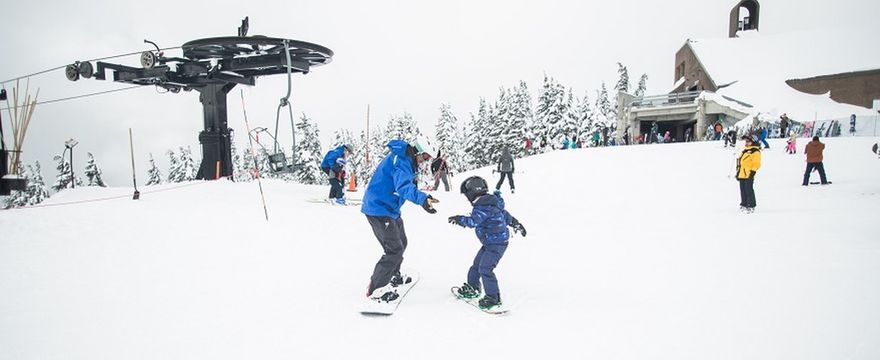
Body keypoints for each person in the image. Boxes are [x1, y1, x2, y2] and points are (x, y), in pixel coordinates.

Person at [361, 140, 439, 303]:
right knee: (394, 250)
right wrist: (422, 199)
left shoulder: (407, 161)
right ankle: (376, 290)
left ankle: (393, 276)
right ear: (418, 151)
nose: (425, 161)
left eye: (428, 159)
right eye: (425, 157)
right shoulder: (402, 161)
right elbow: (403, 187)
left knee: (401, 243)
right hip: (379, 209)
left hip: (390, 209)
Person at [448, 176, 527, 310]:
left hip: (496, 244)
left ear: (472, 193)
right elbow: (506, 216)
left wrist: (459, 219)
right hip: (490, 242)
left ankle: (493, 297)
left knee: (485, 269)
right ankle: (473, 287)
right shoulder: (491, 203)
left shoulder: (483, 207)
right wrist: (517, 224)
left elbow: (473, 221)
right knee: (476, 265)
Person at [736, 135, 762, 213]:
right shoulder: (745, 150)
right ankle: (744, 204)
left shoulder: (755, 151)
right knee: (743, 190)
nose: (746, 143)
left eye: (748, 141)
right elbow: (740, 162)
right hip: (742, 173)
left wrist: (752, 172)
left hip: (749, 173)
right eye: (746, 141)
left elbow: (756, 163)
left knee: (748, 190)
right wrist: (738, 172)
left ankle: (751, 205)